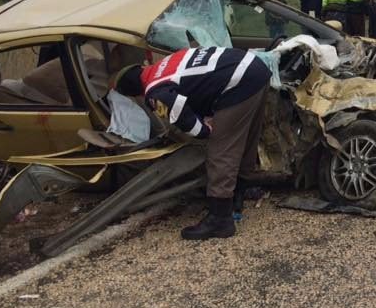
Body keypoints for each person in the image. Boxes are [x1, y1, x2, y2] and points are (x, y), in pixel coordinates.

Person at [114, 46, 272, 240]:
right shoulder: (165, 63)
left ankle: (220, 219)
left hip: (238, 81)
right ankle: (239, 193)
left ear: (135, 93)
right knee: (246, 137)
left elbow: (184, 118)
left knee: (221, 151)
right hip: (255, 68)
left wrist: (205, 130)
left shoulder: (154, 90)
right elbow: (199, 84)